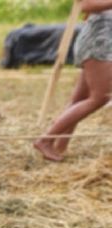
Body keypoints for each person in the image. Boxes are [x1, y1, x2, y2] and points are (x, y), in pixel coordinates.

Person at [35, 1, 112, 161]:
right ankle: (45, 140)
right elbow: (86, 5)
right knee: (100, 97)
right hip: (100, 42)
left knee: (79, 99)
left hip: (103, 39)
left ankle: (60, 146)